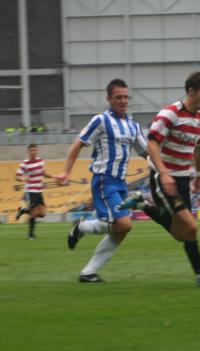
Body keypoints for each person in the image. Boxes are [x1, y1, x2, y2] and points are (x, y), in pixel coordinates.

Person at [55, 78, 148, 283]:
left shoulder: (133, 126)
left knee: (122, 230)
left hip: (121, 183)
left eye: (125, 97)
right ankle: (81, 227)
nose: (123, 101)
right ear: (109, 98)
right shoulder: (101, 120)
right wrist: (66, 172)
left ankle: (88, 272)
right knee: (123, 224)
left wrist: (165, 170)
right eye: (118, 97)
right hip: (104, 181)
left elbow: (147, 152)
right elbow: (77, 144)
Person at [139, 71, 200, 289]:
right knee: (191, 228)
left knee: (179, 234)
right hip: (163, 178)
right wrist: (164, 173)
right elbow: (151, 143)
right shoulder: (171, 113)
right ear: (191, 91)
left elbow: (199, 146)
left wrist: (199, 174)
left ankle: (141, 205)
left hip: (183, 180)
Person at [15, 144, 55, 239]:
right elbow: (17, 176)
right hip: (30, 190)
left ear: (37, 151)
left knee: (42, 213)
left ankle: (23, 211)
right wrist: (23, 179)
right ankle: (31, 235)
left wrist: (53, 176)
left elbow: (44, 173)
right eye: (31, 150)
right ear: (28, 152)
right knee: (34, 213)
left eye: (35, 150)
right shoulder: (25, 163)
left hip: (39, 190)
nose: (33, 152)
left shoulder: (40, 161)